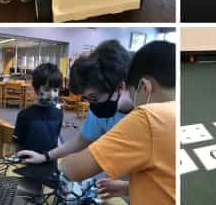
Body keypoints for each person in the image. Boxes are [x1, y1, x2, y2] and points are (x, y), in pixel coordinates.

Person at [57, 41, 176, 204]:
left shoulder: (148, 118)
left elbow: (74, 168)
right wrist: (129, 187)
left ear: (144, 87)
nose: (134, 103)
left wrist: (58, 166)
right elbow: (165, 181)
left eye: (132, 92)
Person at [17, 40, 133, 193]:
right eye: (87, 99)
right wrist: (45, 157)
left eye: (94, 98)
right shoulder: (102, 108)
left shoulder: (145, 116)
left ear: (119, 88)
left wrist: (129, 188)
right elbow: (82, 140)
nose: (92, 105)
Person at [13, 63, 63, 153]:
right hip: (30, 162)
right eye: (47, 89)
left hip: (50, 161)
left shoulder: (59, 113)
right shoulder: (24, 115)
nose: (51, 95)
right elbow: (17, 145)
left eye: (55, 90)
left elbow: (56, 137)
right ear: (36, 89)